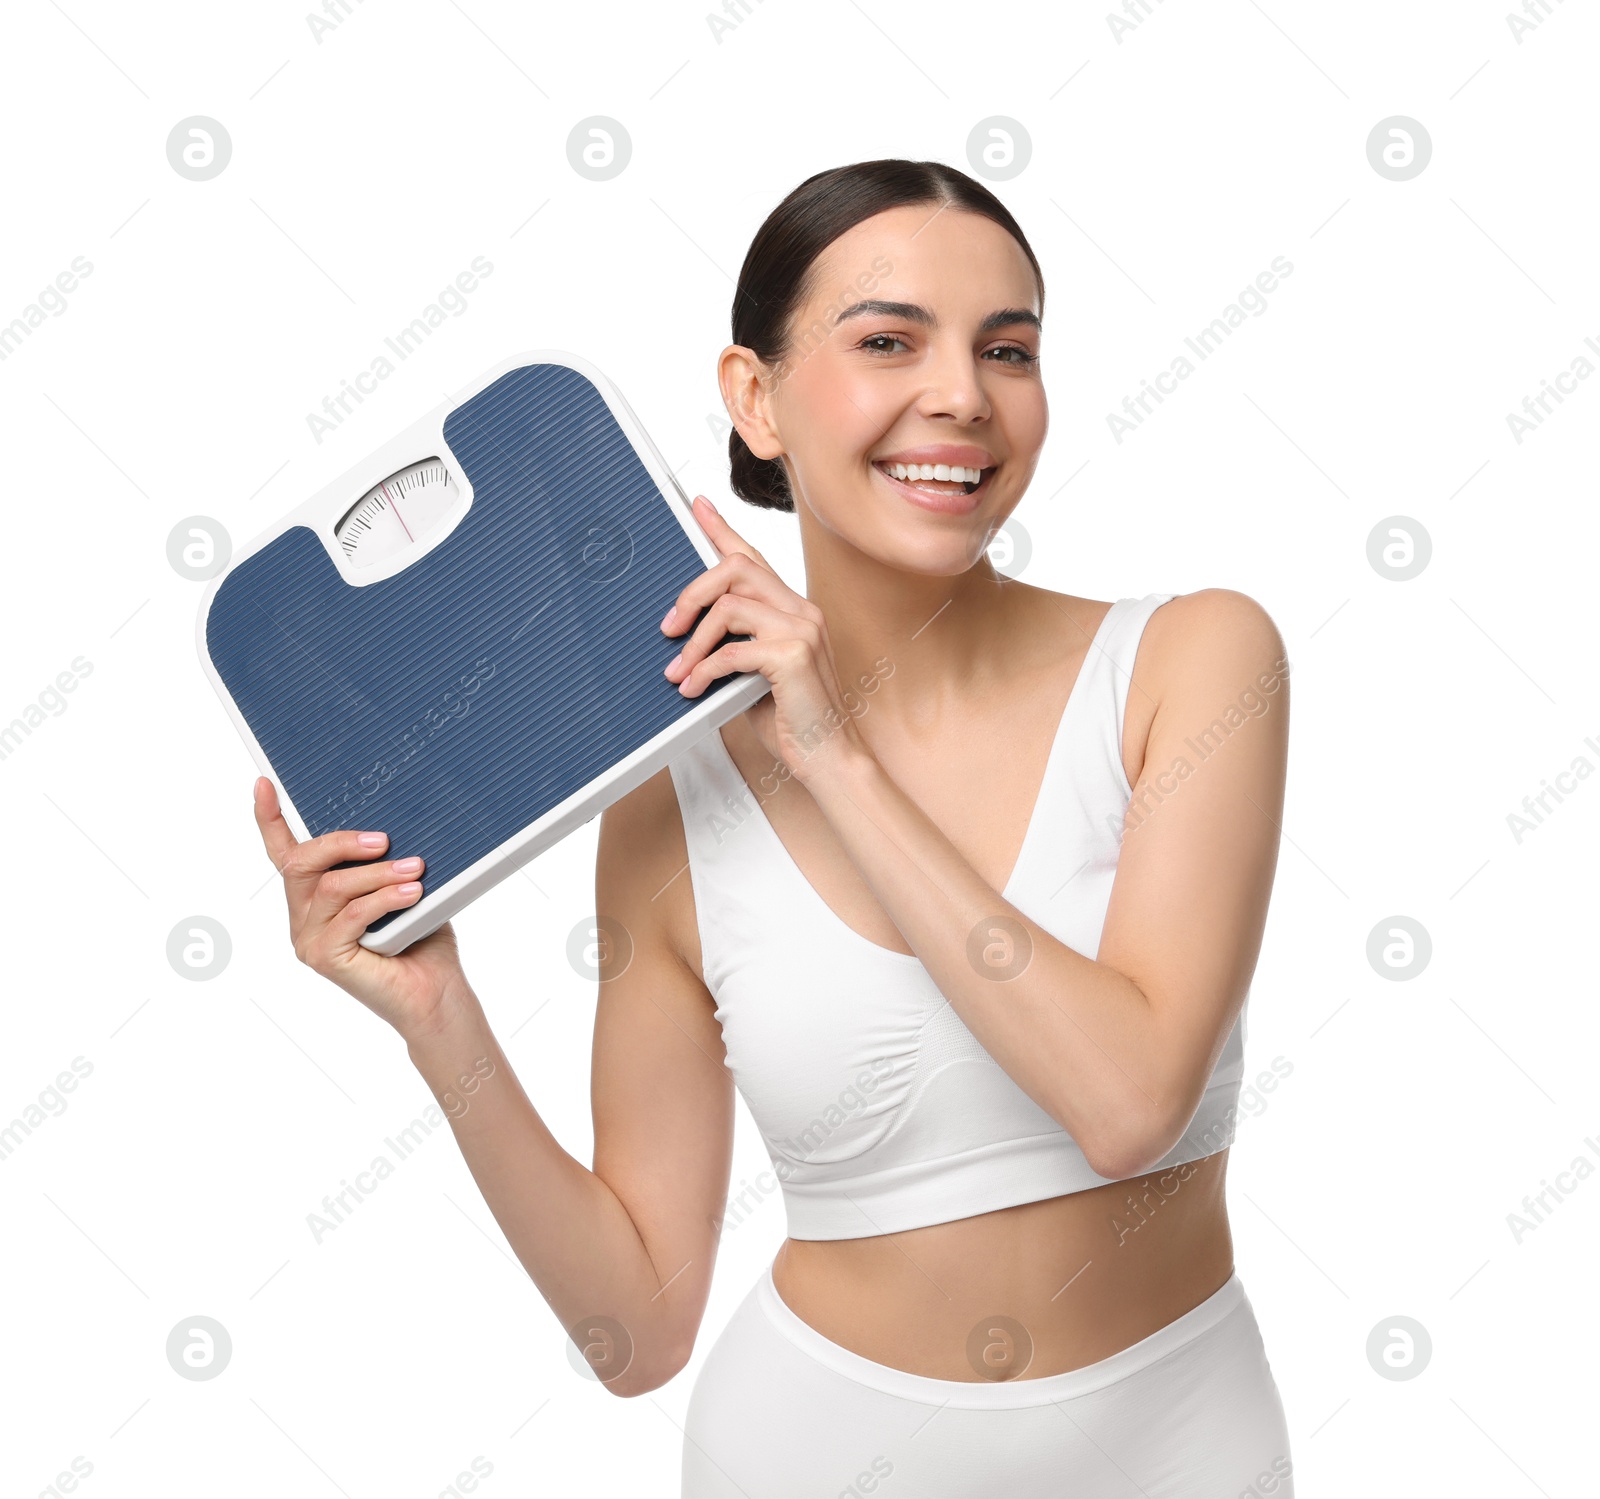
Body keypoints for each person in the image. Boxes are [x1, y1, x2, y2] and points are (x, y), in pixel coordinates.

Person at [252, 158, 1295, 1497]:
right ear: (754, 397)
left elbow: (1128, 1105)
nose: (962, 396)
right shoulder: (662, 808)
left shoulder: (1194, 665)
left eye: (1009, 349)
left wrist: (832, 757)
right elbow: (637, 1331)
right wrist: (439, 1019)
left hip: (1182, 1449)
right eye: (886, 342)